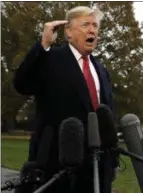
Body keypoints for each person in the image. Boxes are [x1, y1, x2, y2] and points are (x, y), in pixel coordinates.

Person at [13, 6, 119, 193]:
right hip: (57, 165)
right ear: (68, 32)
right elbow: (21, 84)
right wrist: (43, 44)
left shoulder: (101, 69)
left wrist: (113, 161)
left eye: (95, 25)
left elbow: (108, 116)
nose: (92, 30)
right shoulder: (50, 58)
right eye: (85, 24)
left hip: (97, 167)